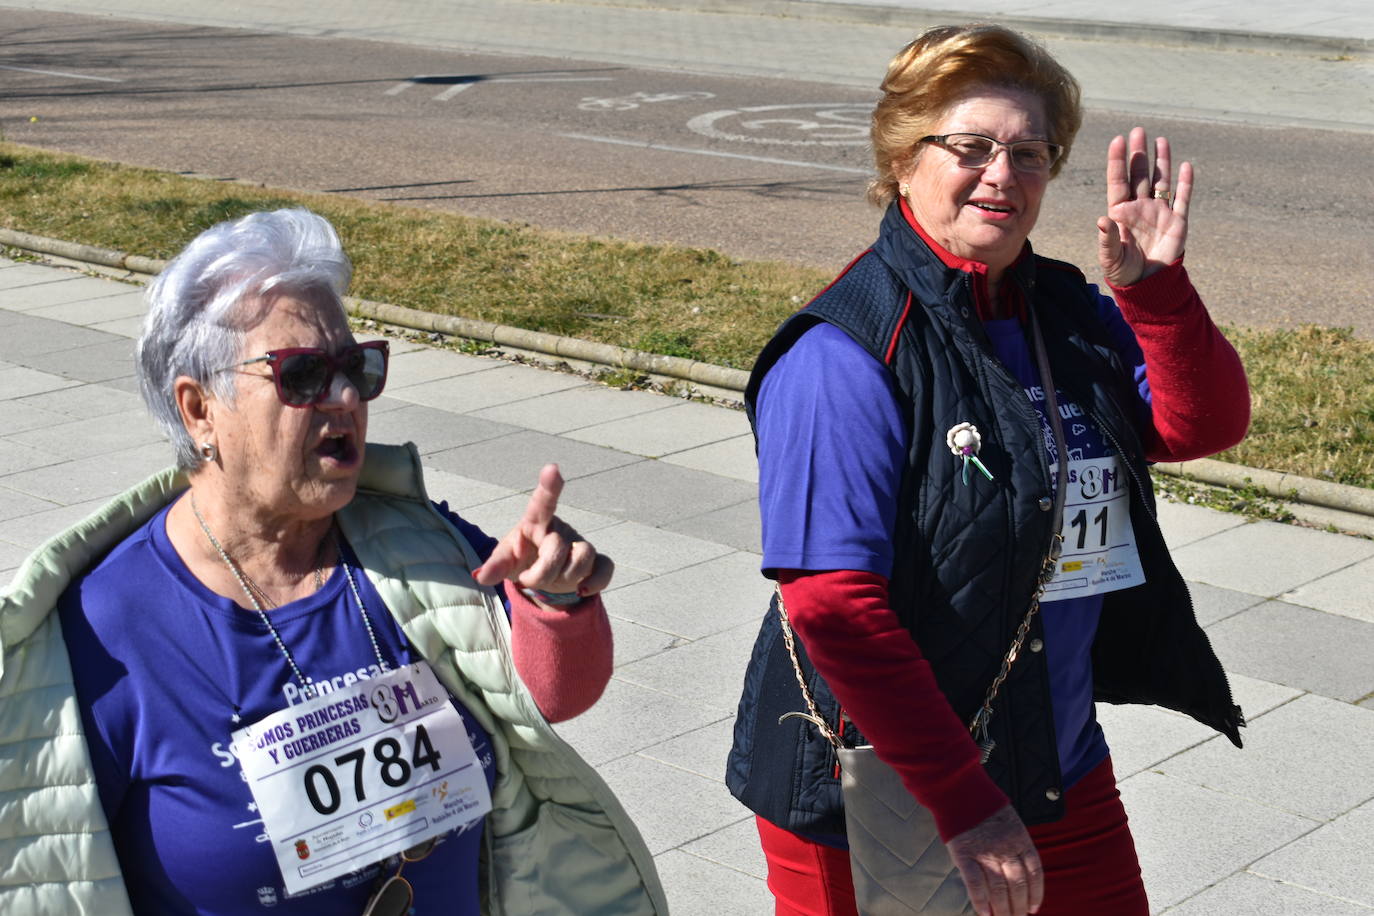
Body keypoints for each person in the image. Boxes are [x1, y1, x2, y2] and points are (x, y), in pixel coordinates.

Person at [0, 208, 666, 915]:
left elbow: (550, 698)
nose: (346, 398)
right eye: (304, 374)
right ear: (199, 411)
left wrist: (554, 600)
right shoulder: (105, 627)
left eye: (356, 366)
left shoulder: (412, 544)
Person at [725, 23, 1249, 916]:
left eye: (1031, 152)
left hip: (1054, 761)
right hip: (885, 788)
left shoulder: (1062, 308)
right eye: (971, 147)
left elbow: (1197, 425)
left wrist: (1157, 292)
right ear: (901, 158)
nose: (1003, 173)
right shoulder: (842, 352)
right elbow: (831, 605)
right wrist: (964, 805)